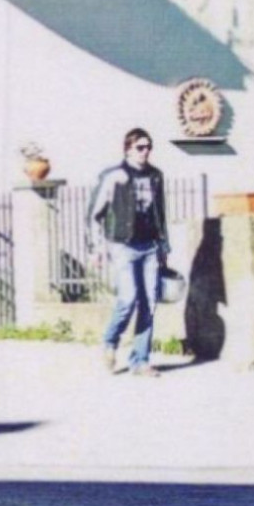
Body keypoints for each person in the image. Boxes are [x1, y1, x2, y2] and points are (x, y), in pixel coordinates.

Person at [86, 127, 169, 377]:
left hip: (150, 246)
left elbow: (160, 212)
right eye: (140, 147)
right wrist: (96, 248)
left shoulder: (156, 176)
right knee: (128, 298)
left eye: (148, 147)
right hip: (122, 245)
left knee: (150, 303)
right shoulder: (115, 176)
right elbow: (94, 214)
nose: (145, 152)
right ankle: (110, 341)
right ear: (128, 149)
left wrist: (164, 244)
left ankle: (140, 361)